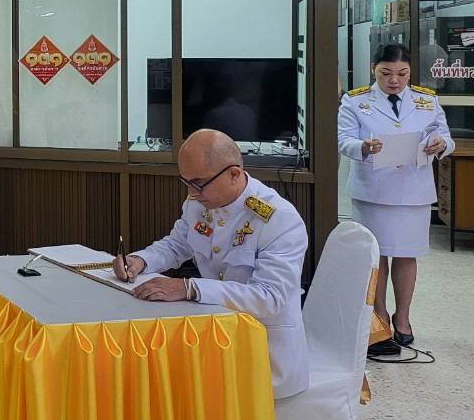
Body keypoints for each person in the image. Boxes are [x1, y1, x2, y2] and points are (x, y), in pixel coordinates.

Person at [114, 129, 309, 399]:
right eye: (186, 182)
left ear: (234, 174)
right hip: (212, 341)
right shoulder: (199, 202)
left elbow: (269, 298)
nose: (192, 193)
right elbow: (177, 244)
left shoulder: (278, 219)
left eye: (198, 183)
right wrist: (140, 260)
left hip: (264, 355)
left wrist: (189, 288)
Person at [337, 43, 451, 352]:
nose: (394, 80)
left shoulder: (427, 100)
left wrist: (441, 144)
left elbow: (445, 137)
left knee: (405, 254)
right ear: (373, 69)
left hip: (413, 190)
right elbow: (343, 140)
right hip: (373, 191)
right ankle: (379, 317)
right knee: (376, 257)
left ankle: (403, 317)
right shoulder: (355, 100)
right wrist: (363, 147)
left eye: (402, 73)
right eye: (386, 73)